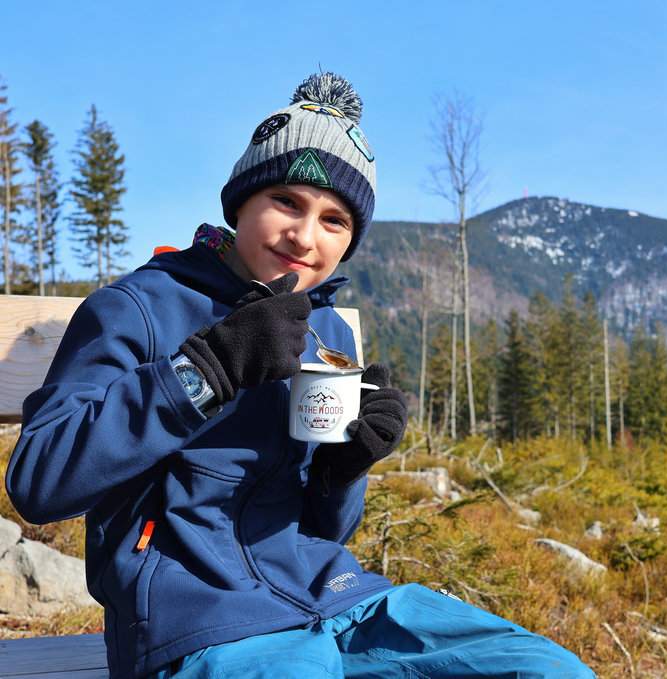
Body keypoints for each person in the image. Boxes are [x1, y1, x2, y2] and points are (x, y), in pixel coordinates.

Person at [5, 71, 594, 679]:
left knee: (548, 670)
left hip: (333, 597)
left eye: (334, 221)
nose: (304, 236)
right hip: (199, 616)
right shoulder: (141, 307)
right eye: (286, 201)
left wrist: (345, 468)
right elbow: (39, 481)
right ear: (241, 201)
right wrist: (205, 371)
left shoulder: (326, 329)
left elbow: (323, 530)